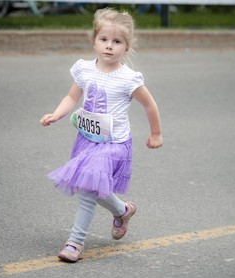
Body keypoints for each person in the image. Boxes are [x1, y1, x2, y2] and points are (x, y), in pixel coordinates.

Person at [40, 7, 163, 263]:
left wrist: (156, 134)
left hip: (114, 144)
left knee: (87, 189)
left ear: (126, 48)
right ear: (94, 41)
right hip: (87, 140)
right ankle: (122, 210)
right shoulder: (84, 69)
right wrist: (56, 114)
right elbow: (72, 96)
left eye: (117, 42)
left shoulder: (129, 79)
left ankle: (75, 242)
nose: (109, 46)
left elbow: (149, 104)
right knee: (95, 188)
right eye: (104, 40)